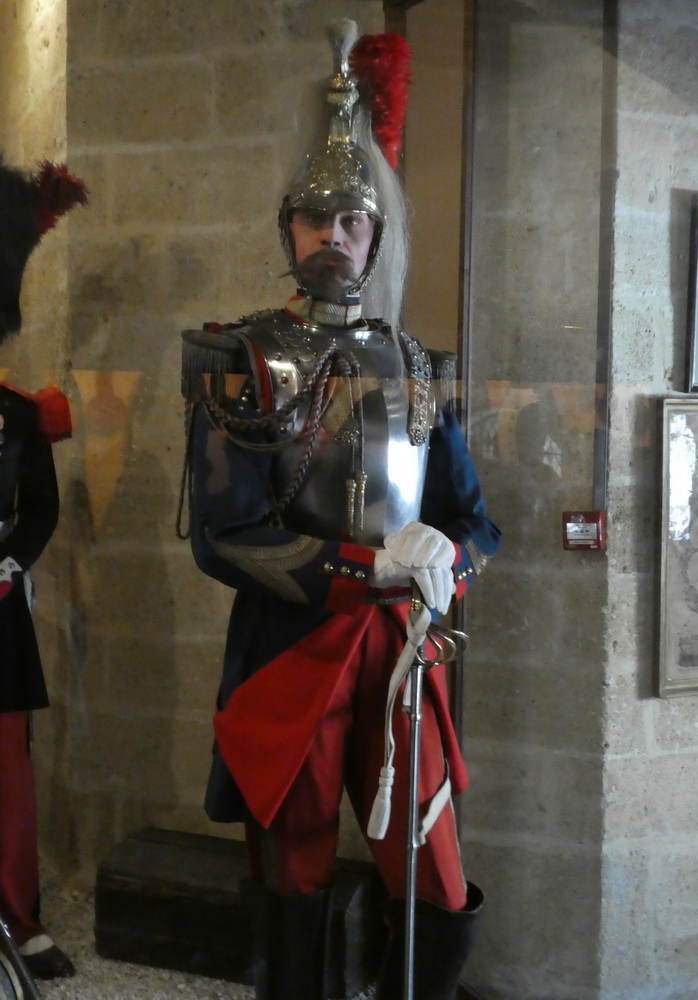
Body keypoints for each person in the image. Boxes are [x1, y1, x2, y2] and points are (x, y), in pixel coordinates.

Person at [179, 22, 500, 1000]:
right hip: (292, 644)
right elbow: (223, 537)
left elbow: (474, 520)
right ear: (289, 229)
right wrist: (366, 568)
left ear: (375, 233)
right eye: (314, 218)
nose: (332, 236)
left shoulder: (417, 368)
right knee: (296, 862)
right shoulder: (235, 357)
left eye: (351, 219)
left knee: (433, 864)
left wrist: (445, 558)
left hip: (401, 647)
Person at [0, 155, 87, 981]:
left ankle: (16, 917)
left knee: (6, 771)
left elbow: (41, 511)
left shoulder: (21, 418)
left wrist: (6, 560)